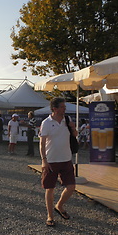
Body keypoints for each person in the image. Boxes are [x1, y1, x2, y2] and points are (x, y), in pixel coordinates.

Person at [39, 97, 77, 227]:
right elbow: (42, 142)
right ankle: (50, 216)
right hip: (51, 160)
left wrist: (73, 128)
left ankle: (59, 206)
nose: (64, 109)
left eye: (64, 107)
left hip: (66, 159)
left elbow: (75, 135)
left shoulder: (68, 120)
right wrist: (44, 160)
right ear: (54, 108)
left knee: (71, 187)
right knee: (50, 188)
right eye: (62, 107)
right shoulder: (46, 122)